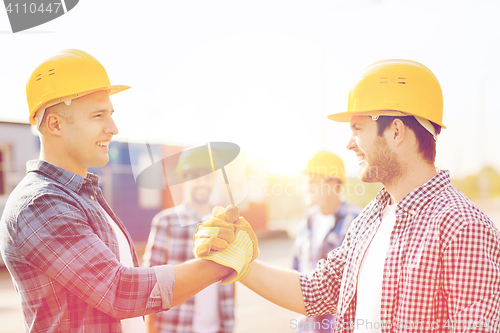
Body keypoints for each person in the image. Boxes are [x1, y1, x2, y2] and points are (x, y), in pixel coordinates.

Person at [194, 59, 500, 332]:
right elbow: (315, 292)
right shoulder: (369, 220)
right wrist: (238, 260)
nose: (349, 144)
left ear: (396, 132)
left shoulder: (463, 229)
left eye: (358, 128)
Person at [0, 49, 256, 333]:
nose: (113, 128)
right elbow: (119, 291)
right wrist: (223, 261)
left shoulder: (83, 196)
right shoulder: (40, 204)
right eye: (98, 115)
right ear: (55, 124)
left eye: (111, 115)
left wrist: (203, 257)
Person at [143, 149, 235, 333]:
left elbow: (231, 280)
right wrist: (150, 327)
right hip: (175, 327)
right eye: (195, 177)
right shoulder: (166, 222)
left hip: (217, 328)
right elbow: (150, 281)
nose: (202, 183)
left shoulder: (226, 224)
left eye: (207, 177)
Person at [292, 151, 360, 332]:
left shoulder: (357, 221)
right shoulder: (306, 221)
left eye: (313, 182)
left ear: (333, 183)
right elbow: (296, 270)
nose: (307, 187)